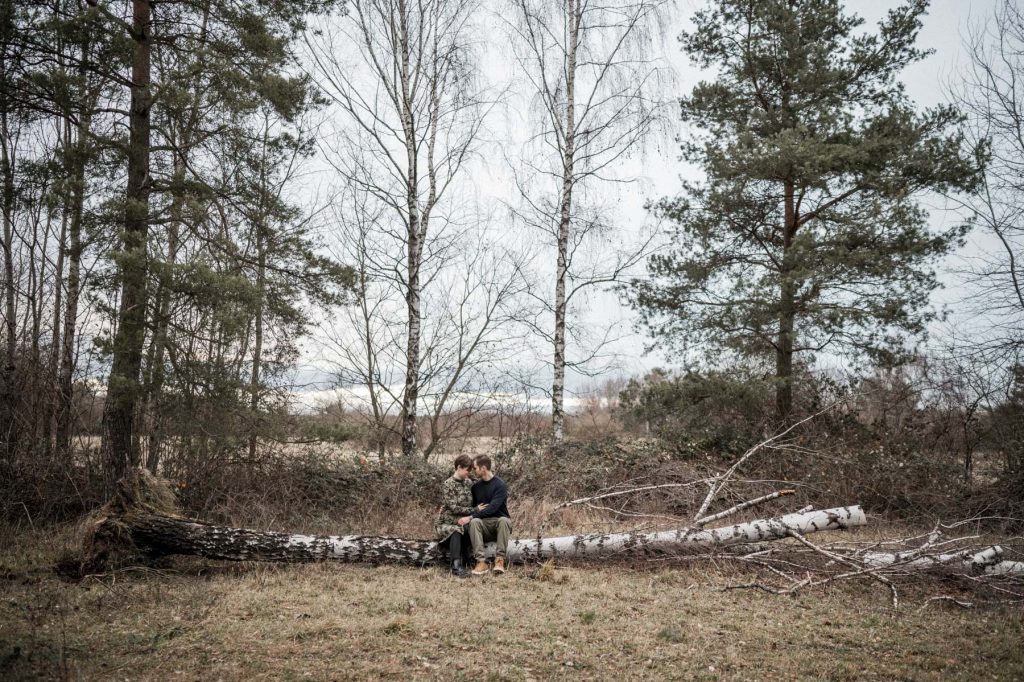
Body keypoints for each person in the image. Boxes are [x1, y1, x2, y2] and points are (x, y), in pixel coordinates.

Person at [457, 454, 512, 576]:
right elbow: (473, 509)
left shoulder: (500, 485)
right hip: (484, 527)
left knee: (504, 520)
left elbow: (492, 508)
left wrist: (470, 517)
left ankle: (499, 561)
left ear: (483, 468)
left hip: (499, 525)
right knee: (475, 522)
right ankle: (481, 562)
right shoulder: (475, 487)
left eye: (475, 468)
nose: (473, 471)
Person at [434, 454, 475, 578]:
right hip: (447, 523)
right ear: (458, 467)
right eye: (467, 470)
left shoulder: (469, 483)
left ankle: (468, 560)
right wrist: (474, 510)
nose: (469, 472)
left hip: (463, 521)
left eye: (470, 470)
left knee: (471, 527)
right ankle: (455, 566)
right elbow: (453, 507)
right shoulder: (448, 484)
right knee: (457, 530)